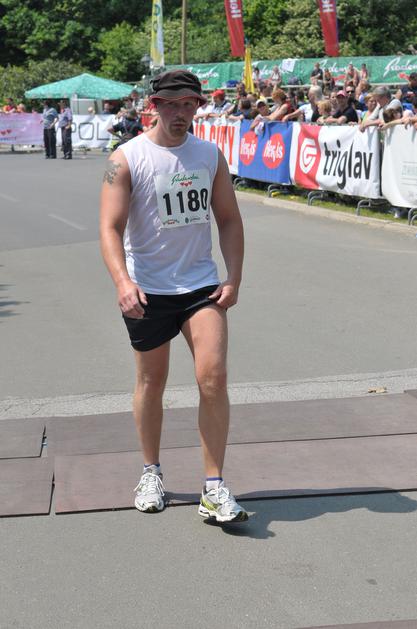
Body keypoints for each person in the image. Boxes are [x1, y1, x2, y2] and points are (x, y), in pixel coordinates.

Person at [99, 69, 247, 523]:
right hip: (148, 289)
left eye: (189, 104)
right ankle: (151, 472)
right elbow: (109, 227)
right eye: (173, 104)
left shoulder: (209, 154)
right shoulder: (126, 158)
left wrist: (234, 277)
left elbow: (229, 219)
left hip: (200, 286)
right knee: (151, 381)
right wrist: (123, 283)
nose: (182, 113)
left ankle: (214, 487)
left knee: (213, 377)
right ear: (155, 106)